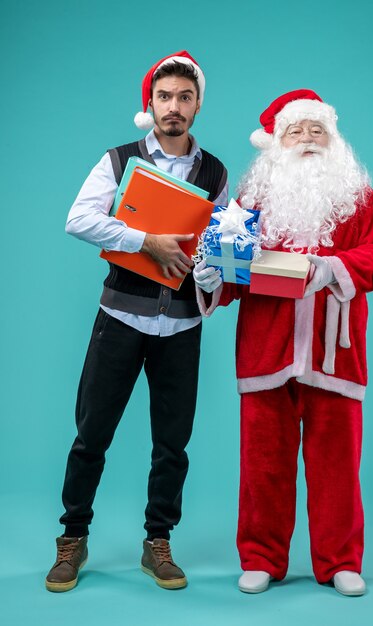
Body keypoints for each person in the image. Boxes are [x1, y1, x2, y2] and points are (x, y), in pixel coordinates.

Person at [194, 89, 373, 596]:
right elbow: (234, 273)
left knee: (337, 465)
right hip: (268, 347)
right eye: (295, 131)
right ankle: (262, 557)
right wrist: (212, 276)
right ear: (275, 144)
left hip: (337, 352)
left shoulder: (361, 199)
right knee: (263, 463)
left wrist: (333, 267)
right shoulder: (251, 204)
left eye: (317, 130)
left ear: (335, 140)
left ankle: (340, 561)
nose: (307, 140)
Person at [45, 50, 228, 593]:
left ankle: (158, 542)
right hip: (119, 317)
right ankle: (72, 539)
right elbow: (78, 220)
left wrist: (213, 269)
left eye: (185, 98)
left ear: (197, 105)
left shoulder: (215, 172)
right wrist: (145, 241)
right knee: (91, 435)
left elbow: (216, 253)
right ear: (149, 104)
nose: (174, 107)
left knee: (173, 443)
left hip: (181, 327)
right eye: (165, 97)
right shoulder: (119, 160)